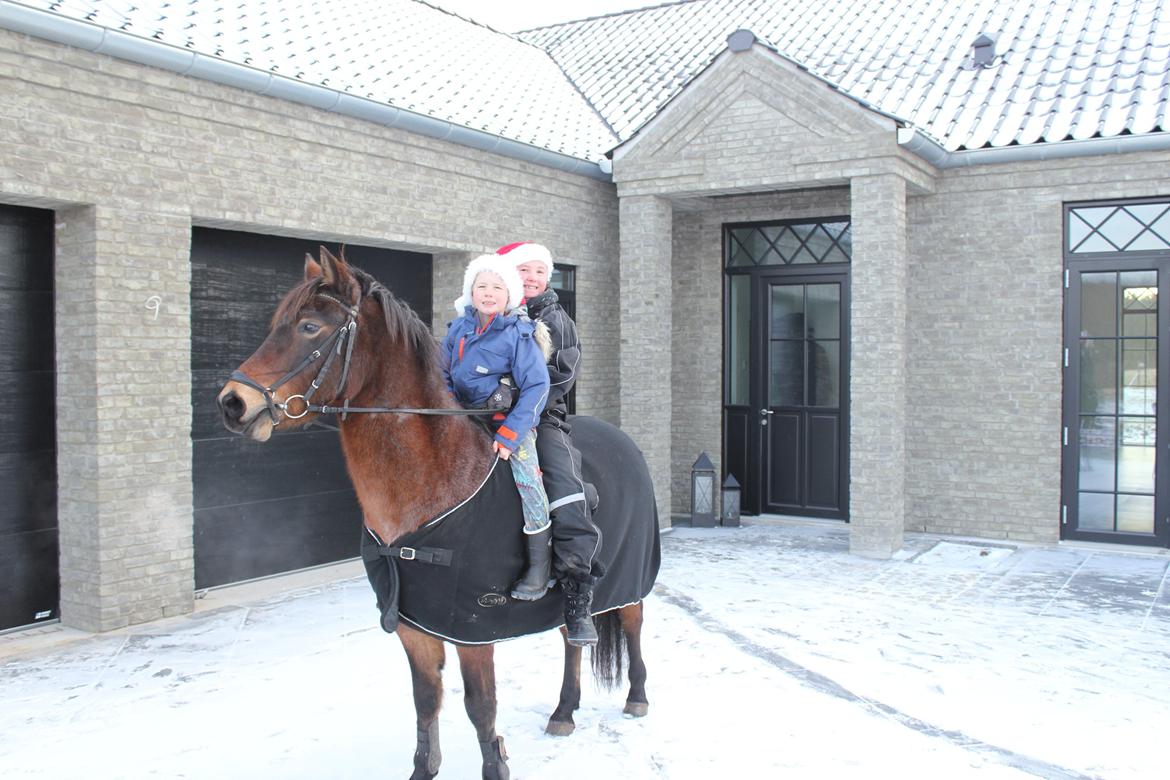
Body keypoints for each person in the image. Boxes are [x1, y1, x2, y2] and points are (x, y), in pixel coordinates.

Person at [496, 241, 602, 646]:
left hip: (542, 416)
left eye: (540, 272)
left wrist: (511, 394)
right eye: (524, 270)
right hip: (484, 414)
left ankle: (577, 594)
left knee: (564, 489)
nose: (533, 279)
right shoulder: (489, 309)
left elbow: (560, 376)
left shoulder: (557, 319)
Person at [441, 253, 553, 601]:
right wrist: (447, 407)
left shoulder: (518, 333)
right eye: (481, 286)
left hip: (507, 424)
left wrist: (510, 435)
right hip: (463, 419)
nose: (488, 293)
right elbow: (442, 373)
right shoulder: (458, 328)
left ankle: (539, 565)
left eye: (497, 287)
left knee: (528, 480)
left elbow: (537, 386)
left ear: (510, 295)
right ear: (470, 291)